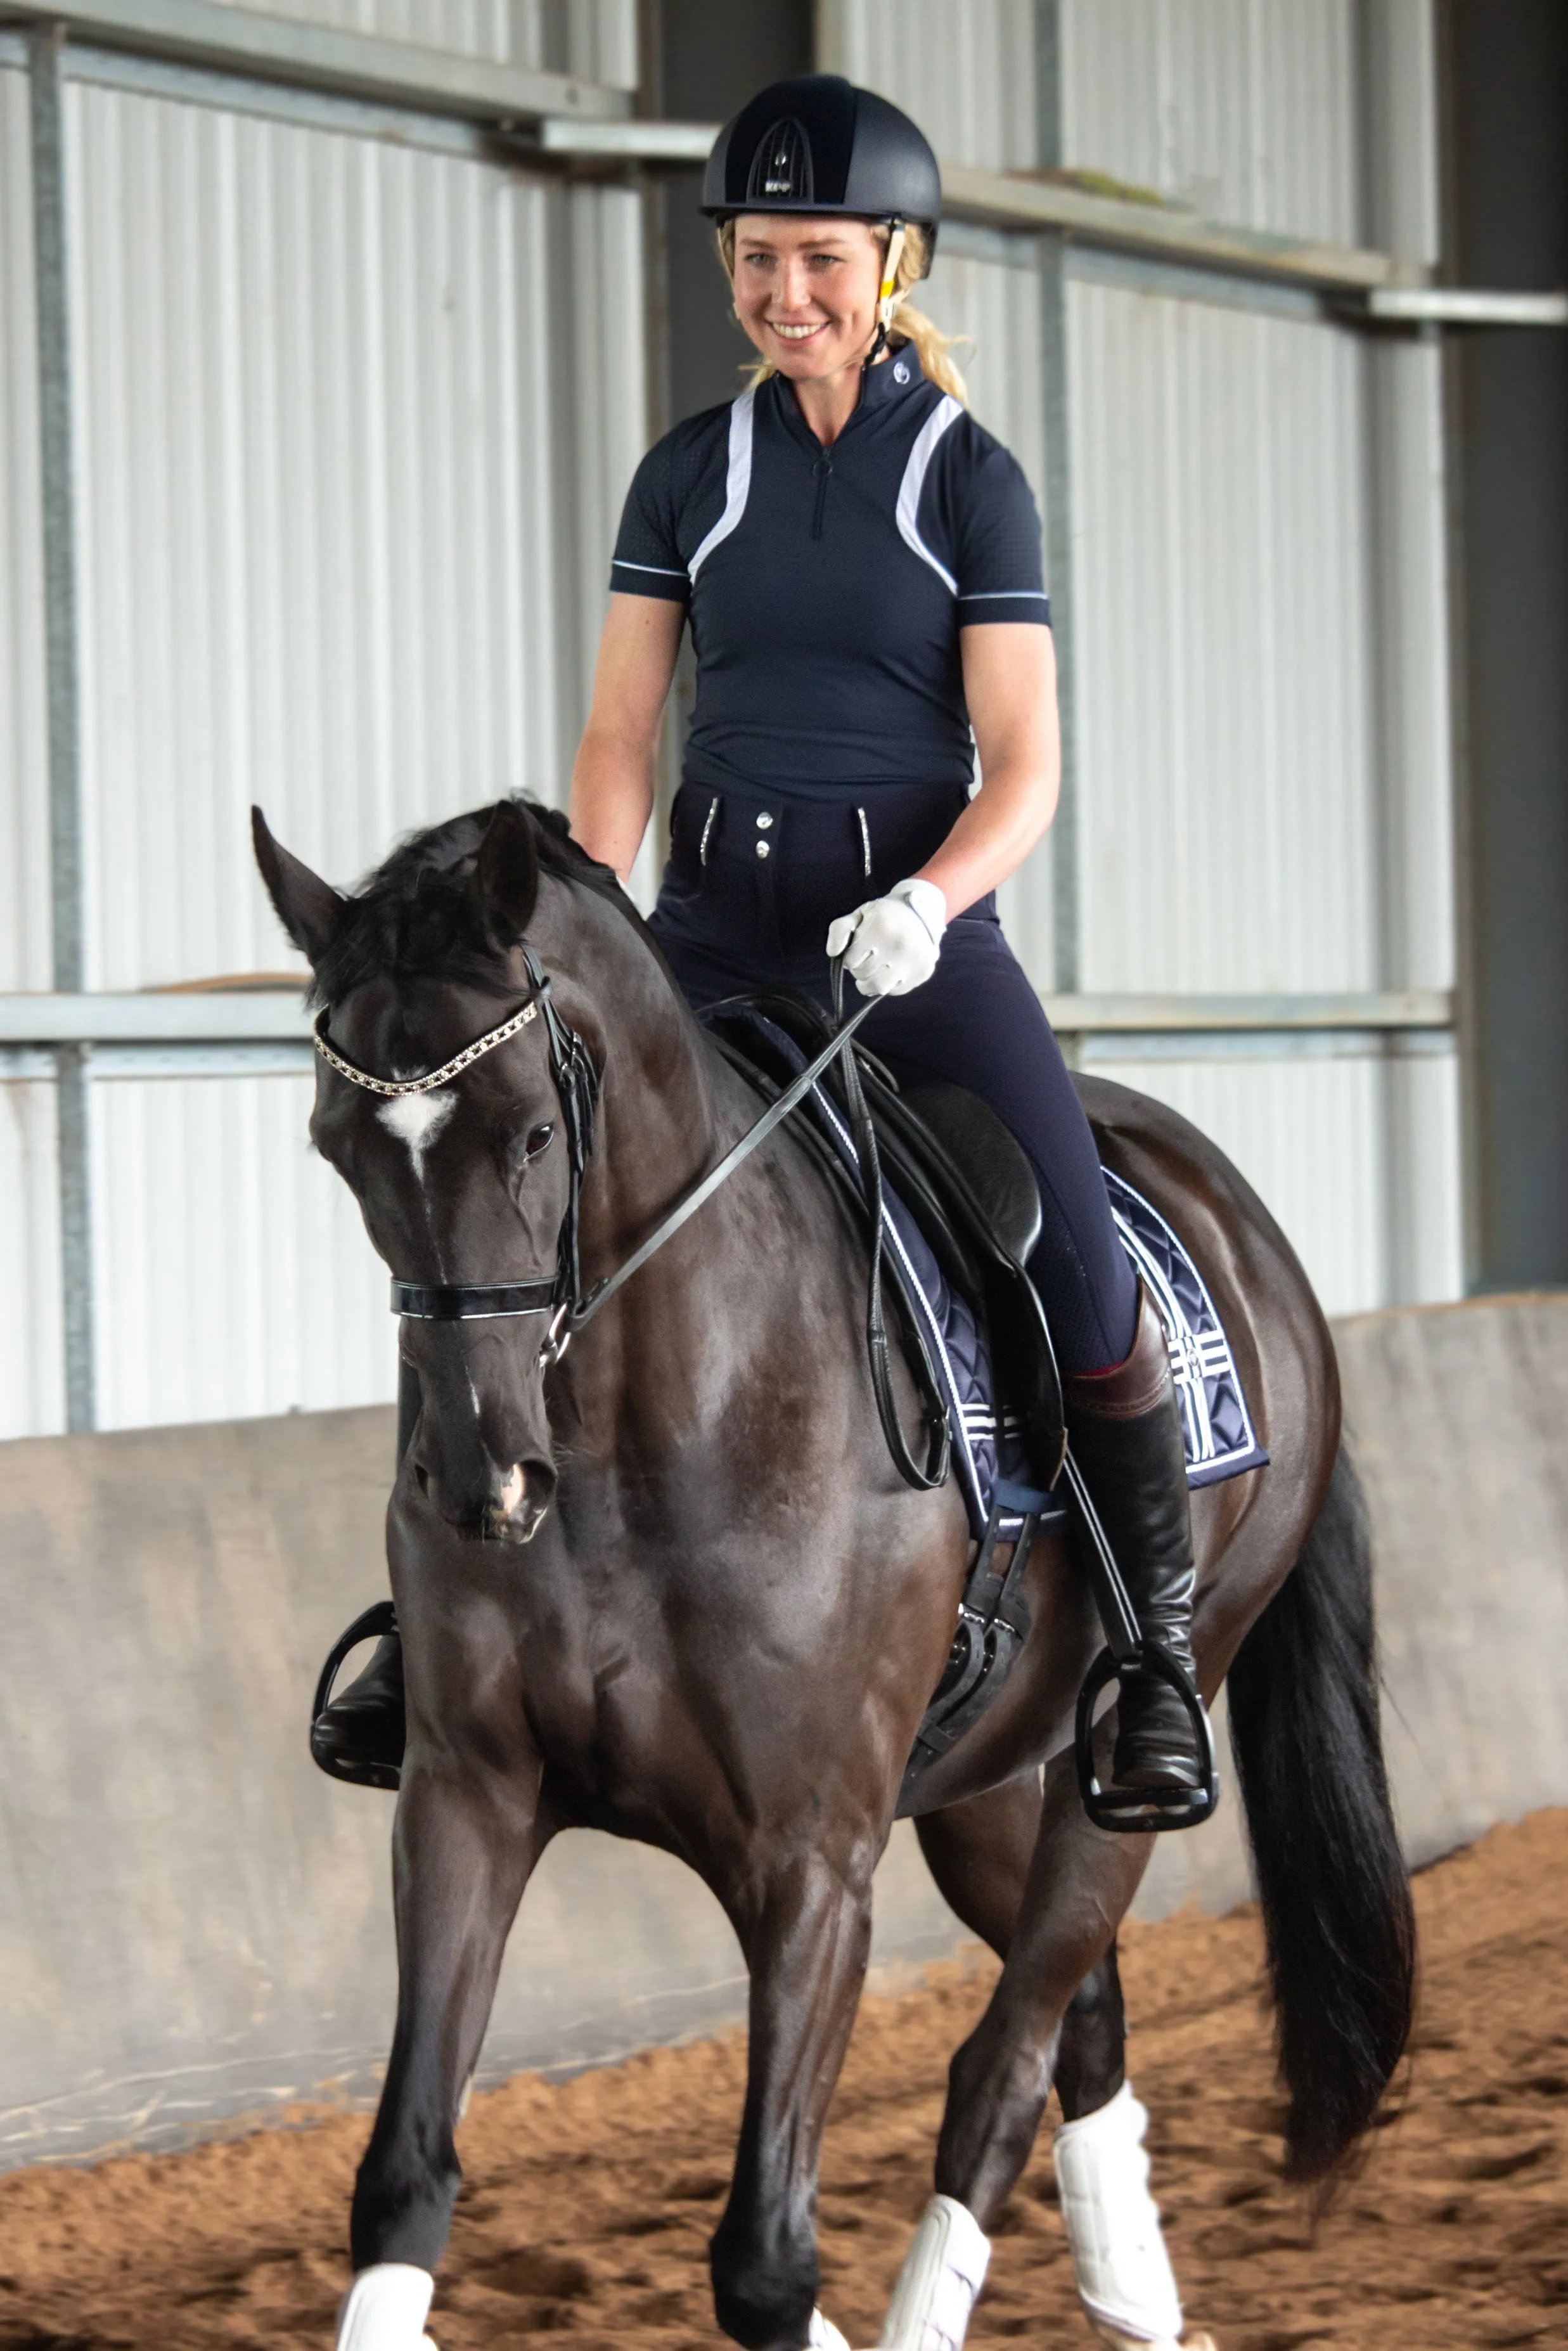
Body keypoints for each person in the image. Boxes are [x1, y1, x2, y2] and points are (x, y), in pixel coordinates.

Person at [314, 73, 1204, 1801]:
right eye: (755, 260)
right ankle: (438, 1615)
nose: (785, 292)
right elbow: (623, 741)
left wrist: (930, 904)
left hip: (916, 950)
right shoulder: (688, 477)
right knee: (518, 1208)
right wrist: (579, 916)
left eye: (818, 259)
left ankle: (1155, 1654)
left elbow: (1026, 766)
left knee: (1080, 1254)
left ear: (894, 262)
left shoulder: (971, 482)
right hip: (715, 944)